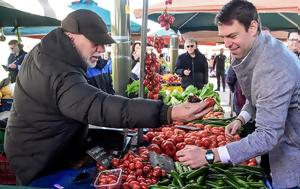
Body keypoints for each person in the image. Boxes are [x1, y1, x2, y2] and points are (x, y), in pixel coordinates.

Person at [4, 9, 213, 186]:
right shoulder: (56, 70)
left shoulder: (54, 53)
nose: (102, 49)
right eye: (96, 42)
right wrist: (168, 112)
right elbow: (98, 106)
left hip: (50, 148)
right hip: (38, 159)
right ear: (71, 35)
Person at [176, 1, 300, 188]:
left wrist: (210, 155)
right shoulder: (262, 47)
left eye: (232, 35)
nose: (226, 44)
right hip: (280, 147)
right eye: (223, 37)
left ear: (252, 27)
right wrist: (241, 118)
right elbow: (258, 96)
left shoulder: (274, 66)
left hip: (292, 154)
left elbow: (267, 135)